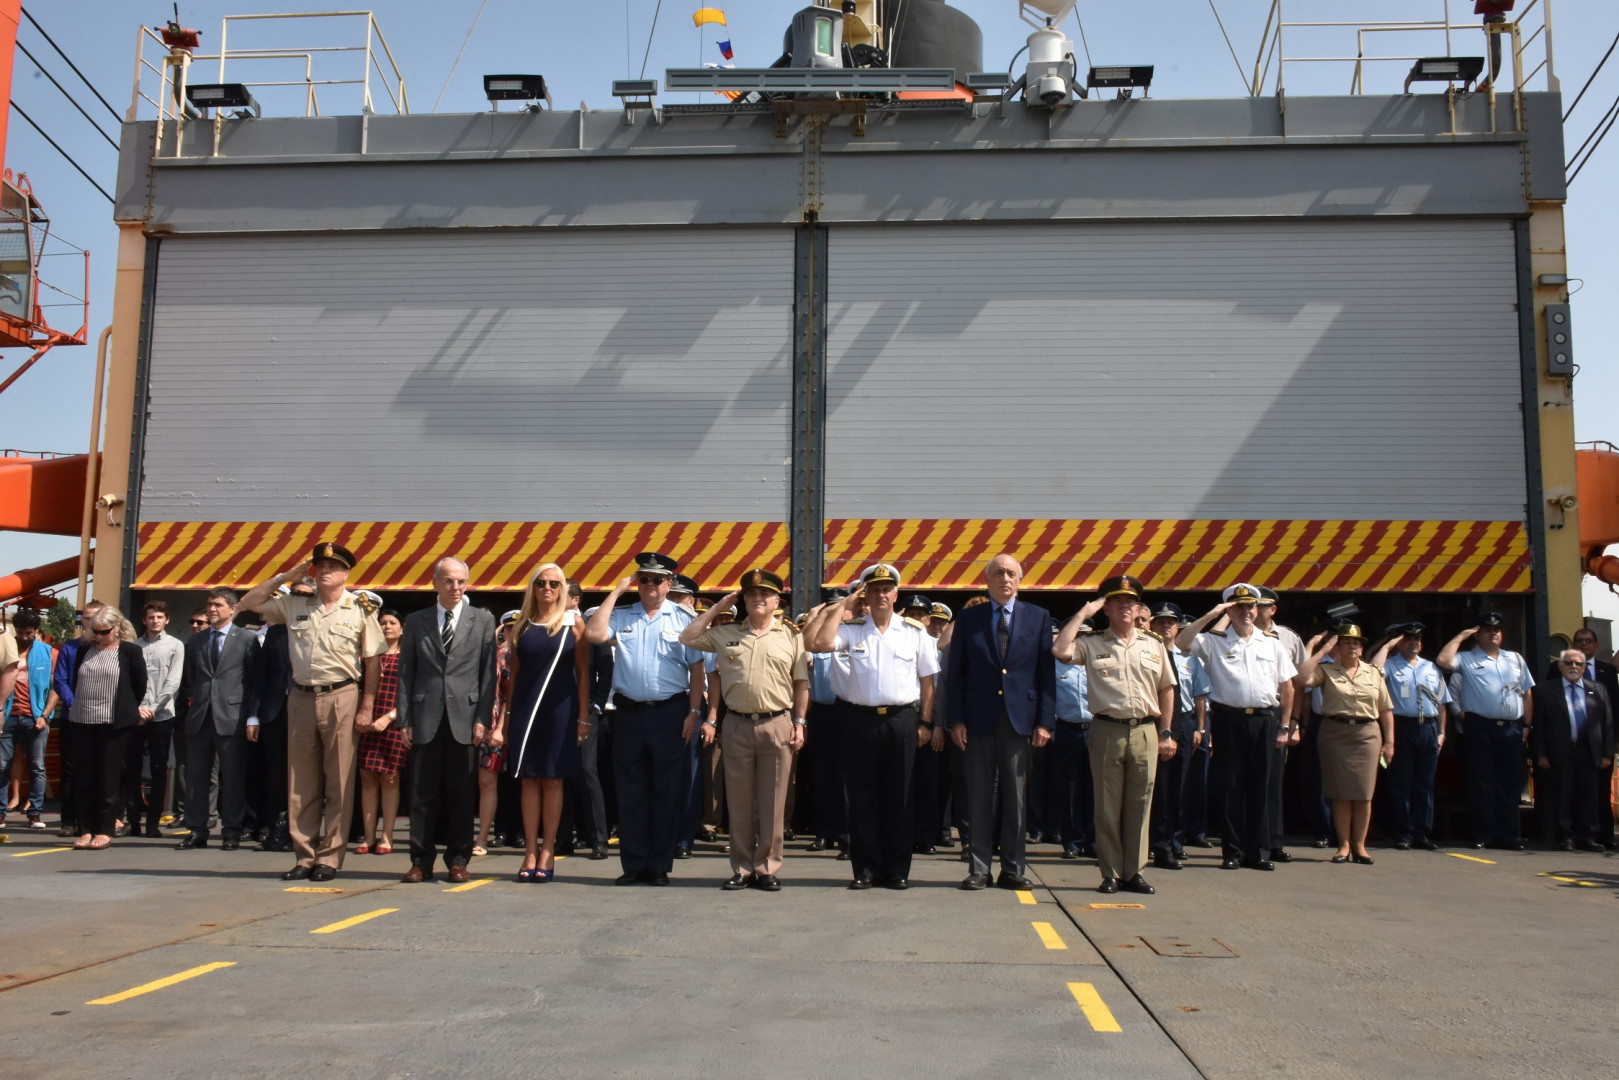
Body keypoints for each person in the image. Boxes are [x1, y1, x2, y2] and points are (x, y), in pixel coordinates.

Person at [239, 541, 386, 883]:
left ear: (346, 573)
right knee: (301, 782)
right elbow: (249, 604)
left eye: (332, 567)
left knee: (339, 779)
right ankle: (304, 855)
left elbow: (372, 660)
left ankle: (330, 858)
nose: (324, 571)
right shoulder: (294, 603)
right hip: (301, 696)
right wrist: (285, 576)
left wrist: (367, 705)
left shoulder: (360, 608)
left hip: (342, 695)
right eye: (319, 566)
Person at [803, 564, 939, 890]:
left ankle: (896, 870)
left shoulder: (913, 632)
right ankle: (865, 869)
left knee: (900, 797)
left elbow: (928, 681)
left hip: (902, 720)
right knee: (862, 798)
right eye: (874, 590)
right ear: (866, 594)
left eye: (886, 589)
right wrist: (842, 605)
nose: (880, 595)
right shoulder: (852, 629)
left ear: (895, 595)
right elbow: (816, 643)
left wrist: (925, 723)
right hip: (859, 721)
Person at [681, 567, 809, 892]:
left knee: (773, 801)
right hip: (736, 723)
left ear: (776, 600)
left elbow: (801, 683)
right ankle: (742, 867)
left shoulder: (791, 635)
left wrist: (800, 722)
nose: (758, 599)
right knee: (738, 800)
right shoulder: (726, 633)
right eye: (751, 595)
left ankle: (767, 867)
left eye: (764, 594)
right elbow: (688, 636)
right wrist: (717, 608)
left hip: (777, 723)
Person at [584, 552, 706, 886]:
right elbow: (594, 634)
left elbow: (697, 669)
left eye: (657, 580)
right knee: (630, 790)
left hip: (670, 712)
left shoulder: (683, 618)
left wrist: (694, 713)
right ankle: (634, 864)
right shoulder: (623, 616)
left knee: (665, 791)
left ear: (669, 584)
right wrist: (615, 592)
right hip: (629, 713)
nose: (649, 586)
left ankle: (659, 866)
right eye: (644, 579)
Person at [1053, 576, 1176, 895]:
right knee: (1107, 805)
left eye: (1130, 601)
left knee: (1140, 803)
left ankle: (1133, 871)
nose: (1125, 606)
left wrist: (1166, 732)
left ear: (1138, 608)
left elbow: (1166, 689)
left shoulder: (1154, 644)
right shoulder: (1093, 642)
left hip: (1147, 730)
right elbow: (1060, 649)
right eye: (1116, 601)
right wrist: (1082, 614)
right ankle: (1110, 872)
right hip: (1107, 729)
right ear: (1105, 607)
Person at [945, 554, 1056, 892]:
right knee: (979, 795)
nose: (1005, 579)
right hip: (978, 719)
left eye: (1011, 573)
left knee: (1016, 798)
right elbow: (957, 674)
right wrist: (956, 719)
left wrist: (1044, 722)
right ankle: (979, 868)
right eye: (998, 573)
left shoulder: (1038, 617)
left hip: (1020, 720)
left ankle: (1013, 868)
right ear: (987, 580)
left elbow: (1045, 676)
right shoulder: (969, 618)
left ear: (1019, 580)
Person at [1176, 584, 1297, 872]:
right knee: (1230, 787)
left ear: (1257, 610)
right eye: (1238, 607)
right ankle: (1232, 851)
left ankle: (1258, 852)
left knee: (1261, 786)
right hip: (1229, 719)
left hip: (1265, 720)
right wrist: (1213, 614)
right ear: (1229, 610)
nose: (1246, 612)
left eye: (1250, 607)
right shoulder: (1215, 641)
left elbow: (1288, 686)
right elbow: (1182, 641)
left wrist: (1284, 725)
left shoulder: (1271, 642)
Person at [397, 558, 498, 884]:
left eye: (461, 582)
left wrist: (483, 717)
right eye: (449, 581)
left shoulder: (482, 620)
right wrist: (404, 719)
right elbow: (405, 673)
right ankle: (420, 861)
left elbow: (488, 675)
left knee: (461, 793)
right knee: (421, 794)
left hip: (465, 719)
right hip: (425, 715)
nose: (456, 588)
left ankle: (458, 860)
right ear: (436, 583)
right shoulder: (416, 620)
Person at [495, 563, 590, 882]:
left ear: (563, 589)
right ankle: (529, 851)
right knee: (529, 780)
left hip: (561, 710)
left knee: (553, 780)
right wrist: (506, 720)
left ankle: (548, 850)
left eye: (554, 583)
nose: (547, 588)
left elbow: (583, 673)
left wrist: (583, 717)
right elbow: (516, 677)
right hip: (525, 711)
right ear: (532, 588)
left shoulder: (573, 622)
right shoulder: (521, 624)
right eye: (541, 583)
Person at [1295, 624, 1394, 865]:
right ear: (1338, 648)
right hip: (1335, 733)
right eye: (1347, 642)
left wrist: (1390, 741)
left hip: (1367, 734)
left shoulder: (1373, 672)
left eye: (1356, 643)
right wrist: (1323, 649)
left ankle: (1360, 846)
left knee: (1363, 793)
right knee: (1339, 793)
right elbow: (1301, 678)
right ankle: (1343, 845)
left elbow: (1385, 709)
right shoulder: (1327, 670)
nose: (1352, 646)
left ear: (1362, 649)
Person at [1436, 612, 1535, 851]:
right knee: (1481, 783)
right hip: (1479, 726)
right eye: (1488, 629)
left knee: (1509, 784)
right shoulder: (1467, 658)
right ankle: (1483, 834)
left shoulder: (1515, 659)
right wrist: (1462, 635)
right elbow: (1442, 660)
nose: (1494, 633)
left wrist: (1527, 726)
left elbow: (1527, 693)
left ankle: (1509, 835)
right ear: (1478, 634)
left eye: (1498, 629)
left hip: (1511, 728)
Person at [174, 588, 262, 851]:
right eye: (210, 604)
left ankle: (231, 831)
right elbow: (191, 679)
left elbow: (254, 679)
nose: (212, 609)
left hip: (232, 717)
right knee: (197, 777)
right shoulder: (197, 641)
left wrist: (251, 716)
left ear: (232, 609)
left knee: (233, 777)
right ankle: (197, 829)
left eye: (218, 605)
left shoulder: (247, 639)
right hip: (200, 717)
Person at [65, 606, 148, 849]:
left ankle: (105, 828)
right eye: (95, 632)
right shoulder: (84, 650)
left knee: (108, 778)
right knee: (85, 777)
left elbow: (138, 685)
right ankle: (87, 829)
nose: (99, 636)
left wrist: (129, 711)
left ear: (116, 628)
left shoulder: (130, 651)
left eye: (104, 632)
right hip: (82, 720)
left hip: (113, 723)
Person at [1529, 649, 1614, 852]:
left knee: (1590, 796)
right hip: (1560, 752)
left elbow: (1607, 724)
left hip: (1590, 752)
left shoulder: (1599, 689)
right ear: (1560, 666)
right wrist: (1540, 754)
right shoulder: (1544, 690)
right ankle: (1565, 836)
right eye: (1568, 663)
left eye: (1578, 663)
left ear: (1584, 668)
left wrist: (1607, 753)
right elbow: (1538, 725)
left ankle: (1588, 836)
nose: (1573, 667)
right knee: (1562, 796)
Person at [1147, 601, 1210, 870]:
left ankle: (1175, 842)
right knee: (1157, 786)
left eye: (1170, 622)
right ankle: (1155, 842)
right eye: (1160, 622)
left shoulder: (1190, 660)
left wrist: (1200, 728)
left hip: (1184, 723)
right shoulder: (1147, 656)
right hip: (1155, 722)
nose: (1165, 626)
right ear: (1152, 626)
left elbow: (1199, 697)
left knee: (1180, 786)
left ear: (1178, 627)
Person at [1375, 622, 1448, 850]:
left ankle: (1422, 832)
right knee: (1401, 782)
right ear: (1400, 642)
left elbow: (1442, 702)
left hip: (1428, 727)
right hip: (1401, 726)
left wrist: (1442, 732)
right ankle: (1403, 832)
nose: (1414, 643)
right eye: (1408, 639)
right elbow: (1373, 669)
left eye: (1417, 640)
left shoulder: (1431, 667)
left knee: (1424, 784)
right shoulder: (1389, 664)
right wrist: (1389, 645)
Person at [122, 601, 183, 838]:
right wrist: (137, 709)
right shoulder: (133, 646)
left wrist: (154, 709)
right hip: (136, 716)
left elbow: (173, 682)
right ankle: (134, 821)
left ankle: (153, 823)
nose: (154, 621)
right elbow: (127, 682)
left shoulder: (175, 646)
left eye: (159, 617)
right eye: (150, 617)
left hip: (162, 715)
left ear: (167, 619)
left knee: (159, 769)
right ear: (144, 620)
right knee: (132, 768)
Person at [1254, 587, 1306, 862]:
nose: (1256, 610)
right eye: (1253, 605)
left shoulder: (1288, 638)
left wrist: (1294, 722)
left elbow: (1297, 684)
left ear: (1273, 609)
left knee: (1274, 783)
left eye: (1262, 606)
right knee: (1247, 781)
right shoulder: (1240, 634)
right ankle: (1249, 841)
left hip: (1277, 713)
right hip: (1247, 711)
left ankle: (1274, 841)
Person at [1555, 628, 1618, 849]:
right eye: (1580, 641)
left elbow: (1612, 712)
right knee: (1569, 792)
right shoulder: (1558, 670)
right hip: (1568, 744)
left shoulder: (1608, 672)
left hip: (1597, 745)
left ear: (1596, 645)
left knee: (1598, 792)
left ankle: (1604, 835)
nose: (1584, 644)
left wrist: (1610, 748)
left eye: (1588, 641)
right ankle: (1570, 835)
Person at [354, 605, 407, 857]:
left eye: (392, 623)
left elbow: (413, 692)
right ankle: (368, 837)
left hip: (394, 720)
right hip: (367, 719)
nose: (387, 627)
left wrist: (390, 716)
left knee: (389, 778)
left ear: (401, 628)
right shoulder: (368, 656)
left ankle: (387, 836)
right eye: (383, 623)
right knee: (367, 778)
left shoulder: (407, 656)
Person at [50, 600, 105, 837]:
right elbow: (60, 680)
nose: (90, 623)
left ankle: (97, 821)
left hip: (101, 718)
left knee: (101, 768)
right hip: (73, 717)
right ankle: (68, 820)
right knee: (71, 770)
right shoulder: (70, 649)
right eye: (86, 618)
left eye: (95, 618)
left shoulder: (110, 650)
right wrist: (74, 704)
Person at [2, 609, 58, 831]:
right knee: (2, 766)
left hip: (36, 718)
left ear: (37, 631)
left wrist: (45, 715)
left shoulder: (48, 653)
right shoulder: (6, 649)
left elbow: (56, 688)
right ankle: (0, 813)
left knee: (37, 766)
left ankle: (35, 812)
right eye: (21, 633)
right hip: (7, 717)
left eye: (29, 633)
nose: (24, 637)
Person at [1051, 622, 1095, 860]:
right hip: (1067, 730)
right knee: (1069, 788)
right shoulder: (1054, 664)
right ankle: (1072, 842)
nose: (1083, 641)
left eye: (1088, 636)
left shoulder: (1098, 664)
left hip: (1097, 730)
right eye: (1080, 636)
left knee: (1096, 788)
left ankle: (1095, 841)